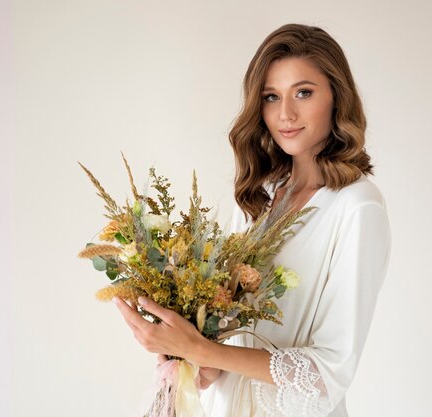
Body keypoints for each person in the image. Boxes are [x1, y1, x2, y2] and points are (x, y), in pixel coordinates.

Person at [114, 23, 391, 417]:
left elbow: (329, 373)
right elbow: (231, 346)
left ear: (337, 97)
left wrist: (202, 348)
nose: (286, 114)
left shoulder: (357, 207)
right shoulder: (259, 197)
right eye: (271, 97)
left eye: (304, 93)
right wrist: (189, 355)